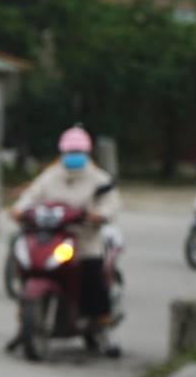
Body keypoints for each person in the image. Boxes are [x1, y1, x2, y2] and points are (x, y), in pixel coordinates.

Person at [13, 124, 121, 320]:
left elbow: (112, 203)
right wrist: (19, 209)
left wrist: (100, 214)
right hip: (53, 235)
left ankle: (101, 319)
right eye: (70, 151)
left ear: (87, 152)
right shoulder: (51, 175)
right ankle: (26, 310)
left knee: (91, 268)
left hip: (84, 238)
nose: (73, 155)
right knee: (30, 263)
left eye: (78, 151)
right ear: (62, 152)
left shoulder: (98, 178)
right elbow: (32, 195)